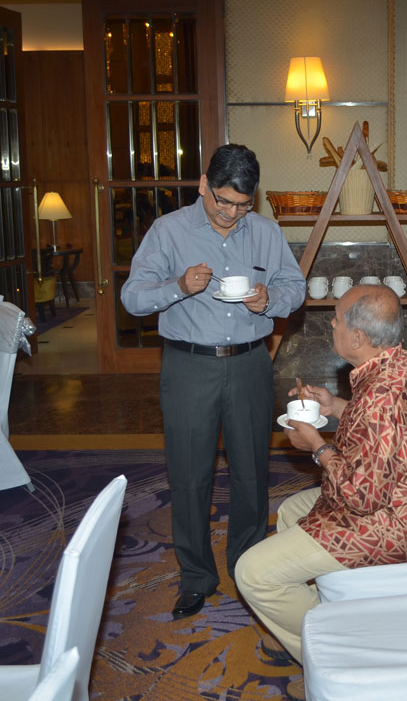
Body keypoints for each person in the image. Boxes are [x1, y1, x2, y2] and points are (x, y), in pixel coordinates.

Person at [121, 143, 306, 621]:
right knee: (189, 476)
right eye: (223, 201)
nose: (230, 213)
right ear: (204, 185)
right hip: (189, 366)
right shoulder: (168, 231)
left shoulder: (265, 232)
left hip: (248, 364)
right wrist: (178, 287)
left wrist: (270, 300)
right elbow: (133, 298)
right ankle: (196, 577)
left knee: (251, 472)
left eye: (242, 205)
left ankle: (249, 571)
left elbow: (295, 287)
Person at [236, 284, 407, 674]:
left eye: (336, 320)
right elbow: (379, 428)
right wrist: (333, 406)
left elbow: (361, 498)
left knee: (252, 574)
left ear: (358, 338)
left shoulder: (383, 397)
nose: (332, 325)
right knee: (292, 512)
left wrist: (316, 445)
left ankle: (336, 654)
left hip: (393, 524)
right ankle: (315, 613)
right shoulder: (404, 363)